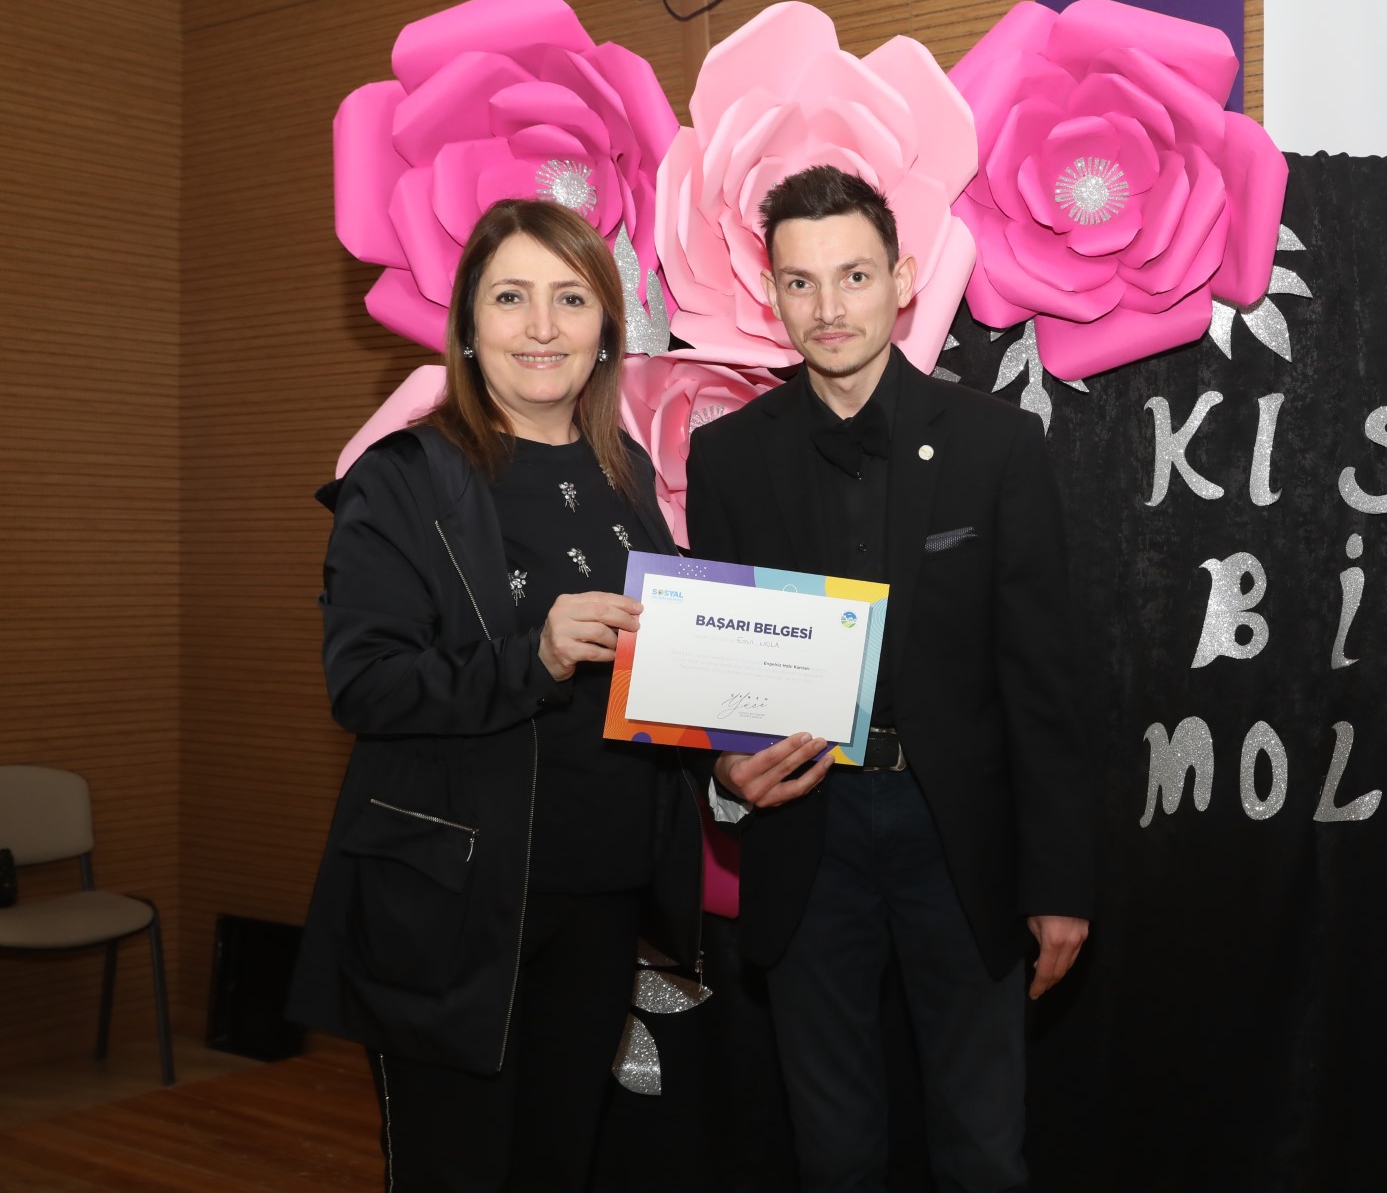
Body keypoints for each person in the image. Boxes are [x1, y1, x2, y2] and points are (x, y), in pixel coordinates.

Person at [685, 165, 1096, 1192]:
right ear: (771, 294)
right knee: (832, 1151)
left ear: (903, 280)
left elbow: (1045, 685)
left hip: (956, 834)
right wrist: (723, 769)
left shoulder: (998, 445)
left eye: (854, 275)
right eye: (801, 281)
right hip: (806, 830)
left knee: (981, 1145)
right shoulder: (725, 459)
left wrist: (1058, 882)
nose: (829, 306)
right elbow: (721, 670)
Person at [288, 198, 704, 1192]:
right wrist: (536, 656)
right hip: (455, 907)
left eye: (572, 298)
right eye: (511, 297)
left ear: (607, 328)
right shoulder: (404, 478)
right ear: (468, 325)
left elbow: (663, 679)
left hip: (602, 896)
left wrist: (732, 742)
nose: (542, 326)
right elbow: (365, 683)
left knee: (560, 1163)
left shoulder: (627, 477)